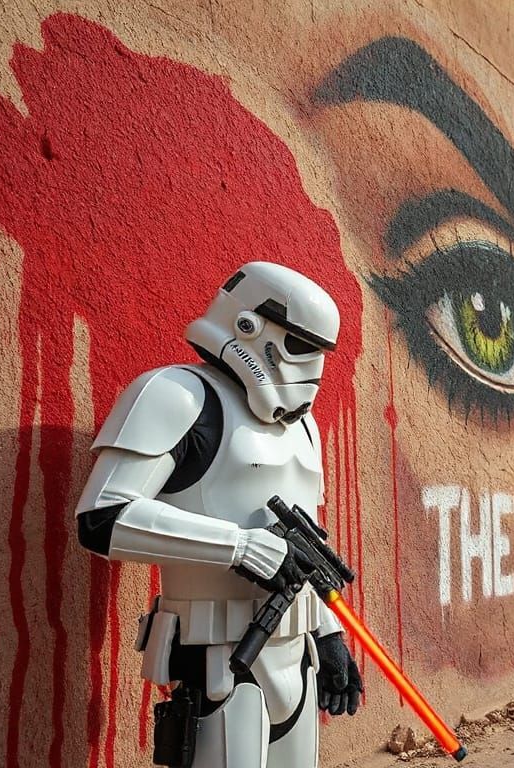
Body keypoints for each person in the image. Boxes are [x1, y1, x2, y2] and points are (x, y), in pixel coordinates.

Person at [75, 262, 361, 768]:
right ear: (248, 324)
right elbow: (103, 518)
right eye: (299, 345)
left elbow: (305, 554)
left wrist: (329, 633)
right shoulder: (177, 395)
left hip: (296, 656)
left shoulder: (306, 429)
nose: (311, 368)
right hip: (216, 657)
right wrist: (242, 546)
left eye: (320, 353)